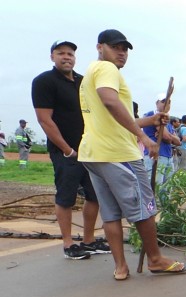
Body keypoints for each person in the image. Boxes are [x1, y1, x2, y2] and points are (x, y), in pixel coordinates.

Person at [78, 29, 186, 280]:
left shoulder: (90, 74)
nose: (121, 53)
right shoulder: (107, 70)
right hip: (118, 153)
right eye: (116, 47)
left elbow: (113, 115)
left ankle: (121, 267)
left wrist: (149, 120)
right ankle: (156, 259)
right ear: (100, 47)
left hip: (94, 153)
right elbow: (110, 102)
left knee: (110, 212)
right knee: (144, 207)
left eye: (125, 49)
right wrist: (144, 137)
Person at [31, 39, 111, 260]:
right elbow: (44, 120)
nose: (66, 57)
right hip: (65, 152)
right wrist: (66, 149)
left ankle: (88, 240)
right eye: (61, 53)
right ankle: (68, 244)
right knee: (66, 197)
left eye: (70, 54)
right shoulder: (44, 82)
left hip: (89, 149)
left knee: (94, 195)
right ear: (52, 57)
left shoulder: (83, 82)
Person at [142, 93, 180, 185]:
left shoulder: (167, 121)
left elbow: (178, 142)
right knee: (156, 186)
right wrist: (170, 137)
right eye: (163, 101)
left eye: (169, 102)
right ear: (157, 103)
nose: (167, 104)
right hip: (156, 156)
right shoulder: (151, 115)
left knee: (167, 188)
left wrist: (169, 136)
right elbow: (167, 137)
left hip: (167, 156)